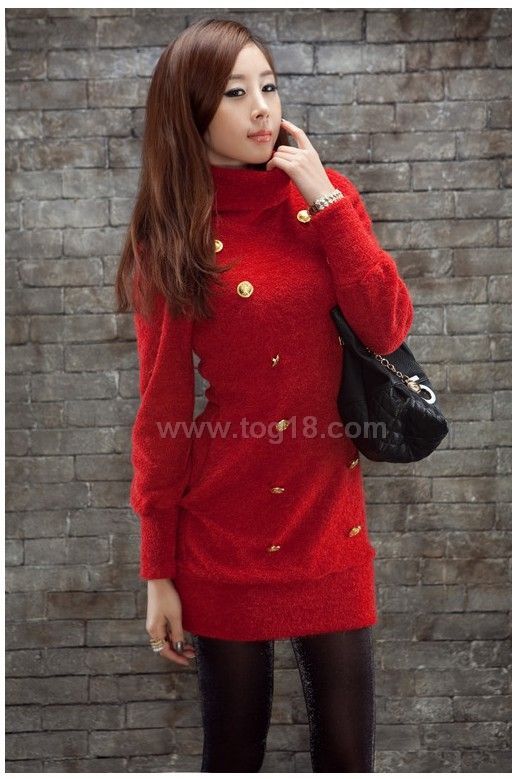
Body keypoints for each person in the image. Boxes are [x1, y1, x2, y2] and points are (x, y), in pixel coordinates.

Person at [115, 17, 414, 773]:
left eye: (269, 86)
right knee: (233, 752)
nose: (261, 109)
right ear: (191, 113)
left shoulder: (326, 199)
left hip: (329, 514)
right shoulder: (173, 236)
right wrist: (159, 571)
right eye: (234, 92)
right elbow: (162, 412)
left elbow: (386, 327)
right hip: (226, 528)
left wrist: (324, 199)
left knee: (347, 753)